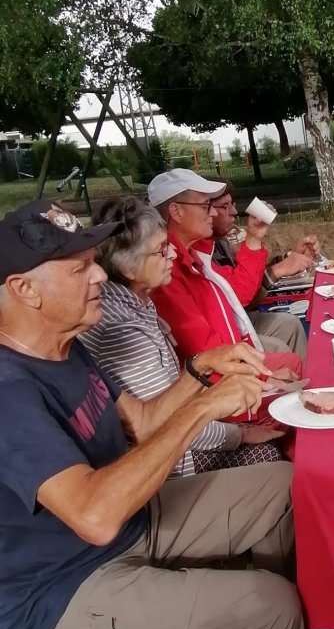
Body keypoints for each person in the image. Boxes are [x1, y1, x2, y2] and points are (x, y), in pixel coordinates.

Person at [0, 200, 304, 629]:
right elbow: (93, 515)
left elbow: (140, 421)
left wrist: (198, 371)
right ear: (24, 289)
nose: (99, 274)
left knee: (285, 484)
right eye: (79, 268)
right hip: (64, 587)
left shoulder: (66, 346)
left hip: (131, 520)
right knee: (265, 610)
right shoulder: (9, 392)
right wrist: (204, 408)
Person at [81, 196, 287, 475]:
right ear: (127, 267)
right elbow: (169, 425)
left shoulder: (135, 301)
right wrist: (239, 432)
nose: (172, 255)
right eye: (161, 250)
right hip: (170, 464)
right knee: (270, 456)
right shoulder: (123, 327)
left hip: (181, 436)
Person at [146, 170, 303, 382]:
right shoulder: (168, 272)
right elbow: (206, 353)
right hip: (220, 382)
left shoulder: (195, 255)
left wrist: (255, 238)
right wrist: (264, 378)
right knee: (290, 363)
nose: (213, 213)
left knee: (290, 356)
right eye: (205, 206)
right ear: (176, 211)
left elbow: (239, 292)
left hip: (230, 359)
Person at [207, 185, 312, 360]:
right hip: (225, 333)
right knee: (278, 348)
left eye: (233, 204)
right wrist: (278, 270)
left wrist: (288, 258)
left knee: (290, 324)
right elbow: (241, 298)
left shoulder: (220, 243)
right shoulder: (200, 253)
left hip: (238, 320)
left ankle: (307, 376)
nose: (234, 212)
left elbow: (247, 277)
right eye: (225, 206)